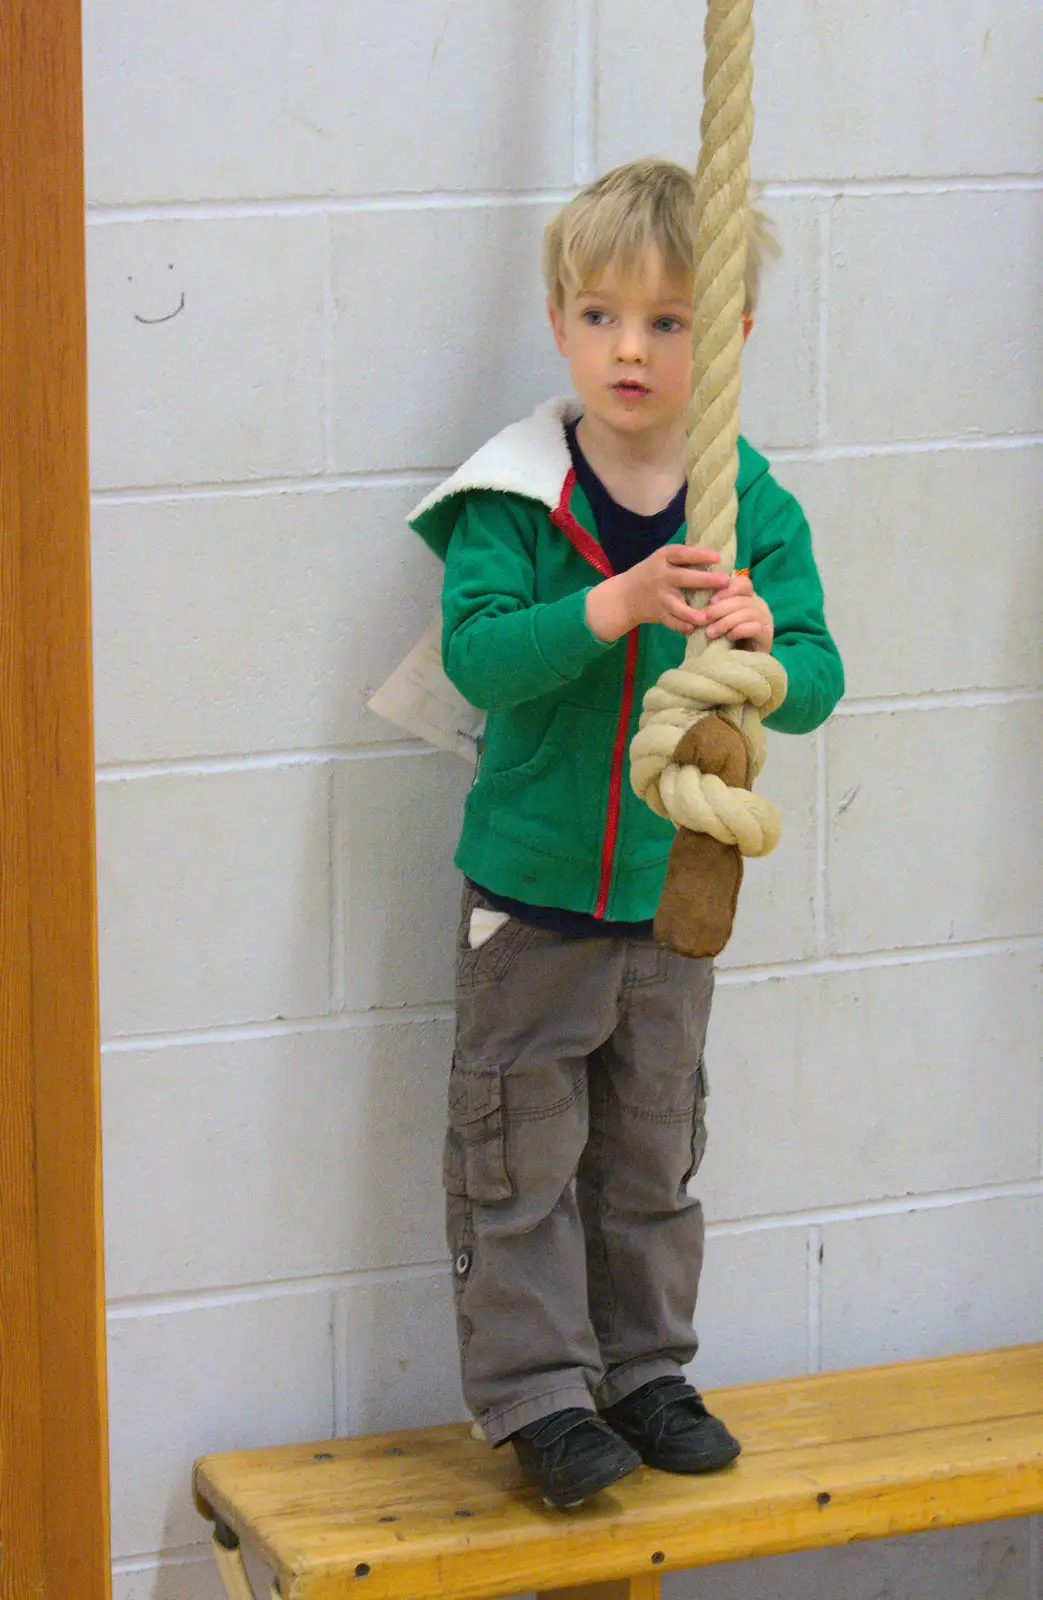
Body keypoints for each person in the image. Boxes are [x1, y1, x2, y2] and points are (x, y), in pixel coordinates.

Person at [406, 158, 844, 1509]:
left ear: (726, 342)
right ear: (557, 325)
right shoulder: (517, 499)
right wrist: (616, 605)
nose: (630, 350)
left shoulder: (745, 504)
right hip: (533, 899)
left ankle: (645, 1367)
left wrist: (768, 644)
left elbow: (819, 679)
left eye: (666, 323)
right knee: (519, 1160)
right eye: (600, 317)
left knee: (653, 1151)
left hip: (671, 903)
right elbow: (479, 658)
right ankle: (541, 1397)